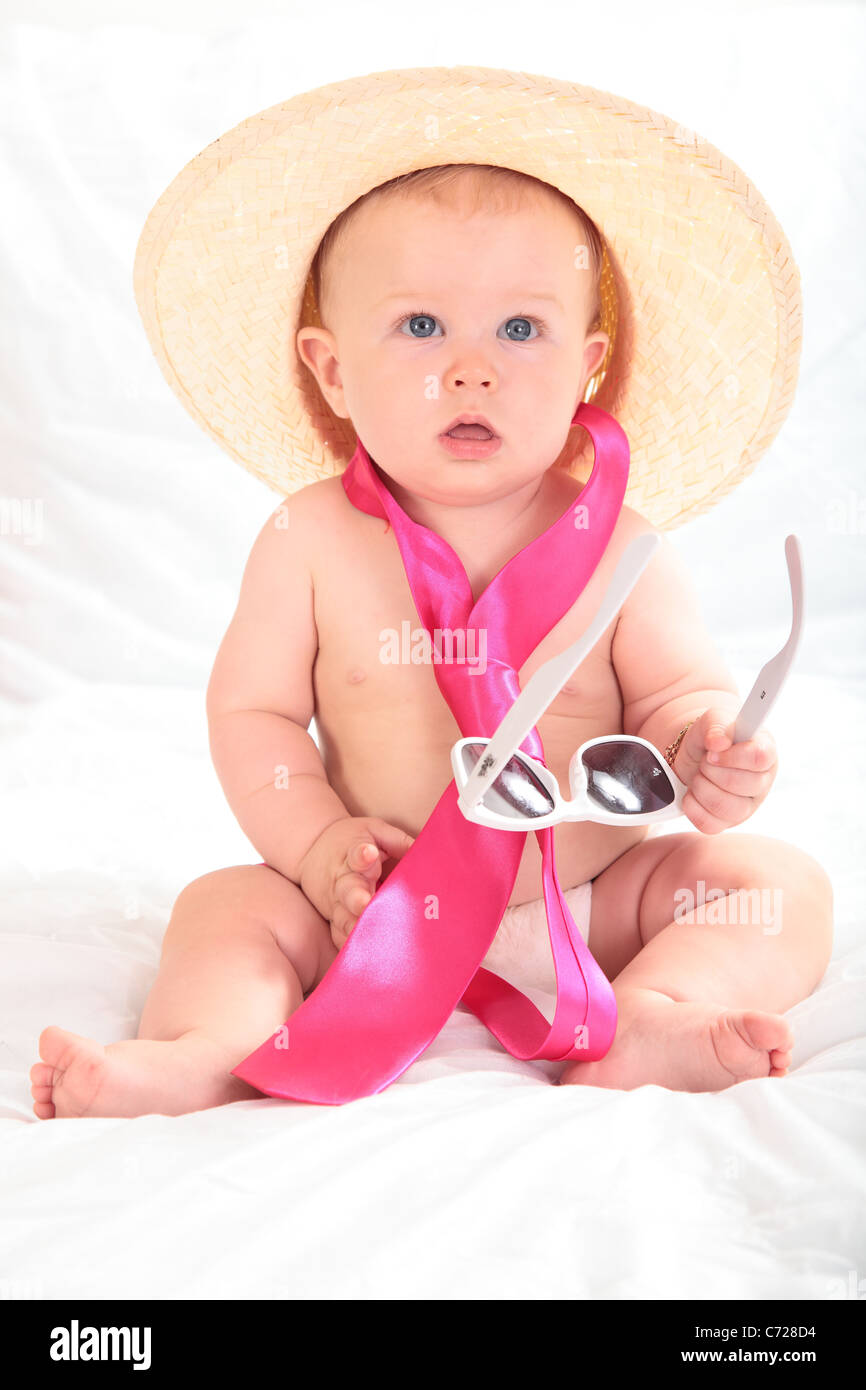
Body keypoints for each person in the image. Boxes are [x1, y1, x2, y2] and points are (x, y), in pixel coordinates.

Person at [30, 69, 833, 1117]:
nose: (470, 370)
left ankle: (650, 1007)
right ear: (329, 370)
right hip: (369, 908)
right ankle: (213, 1047)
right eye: (418, 328)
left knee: (773, 885)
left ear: (588, 366)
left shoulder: (623, 547)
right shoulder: (309, 538)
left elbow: (678, 695)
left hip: (581, 904)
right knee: (223, 905)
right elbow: (254, 713)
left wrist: (705, 752)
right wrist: (318, 847)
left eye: (518, 330)